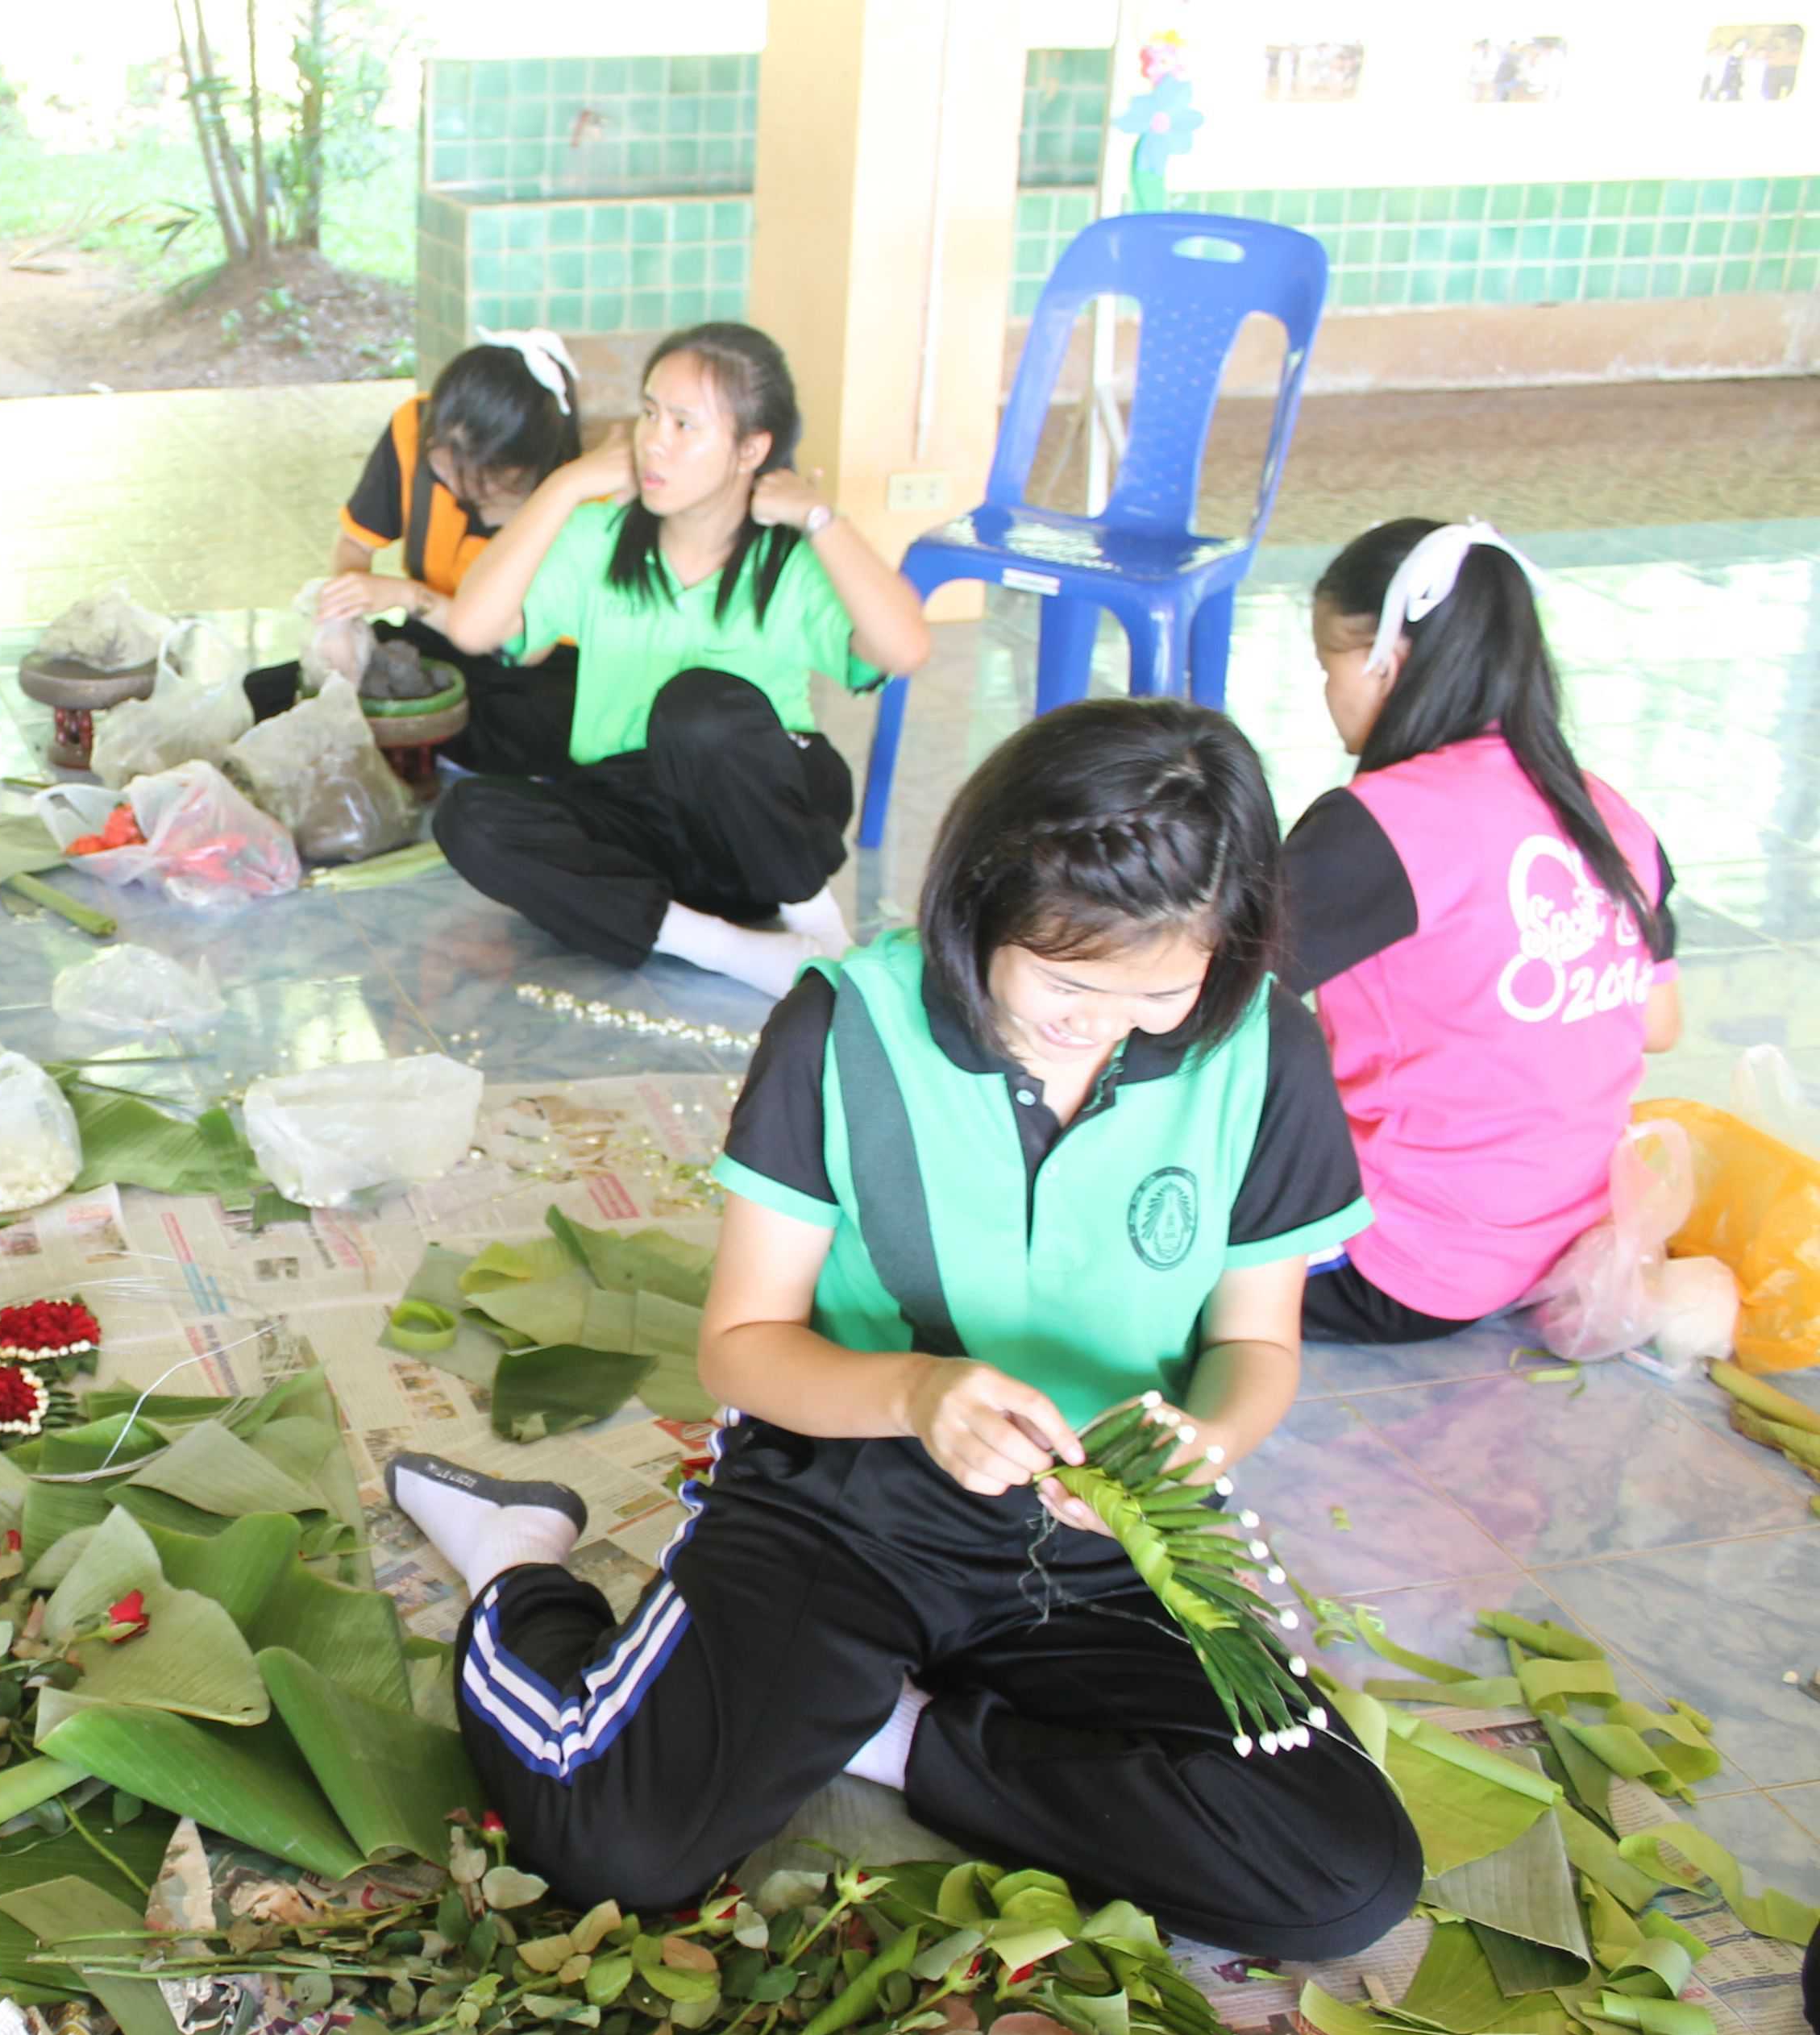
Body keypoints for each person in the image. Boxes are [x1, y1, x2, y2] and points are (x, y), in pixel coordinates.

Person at [396, 698, 1416, 1962]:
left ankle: (899, 1735)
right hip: (847, 1501)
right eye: (1065, 979)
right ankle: (518, 1564)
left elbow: (1257, 1347)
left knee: (1342, 1874)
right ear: (984, 899)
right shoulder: (846, 1027)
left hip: (1101, 1540)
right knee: (619, 1846)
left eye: (1159, 989)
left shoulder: (1262, 1050)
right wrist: (919, 1395)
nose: (1099, 1022)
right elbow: (743, 1345)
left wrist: (1201, 1442)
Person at [430, 322, 933, 995]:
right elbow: (472, 628)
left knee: (697, 707)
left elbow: (905, 647)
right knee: (468, 818)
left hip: (760, 820)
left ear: (751, 449)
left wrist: (821, 521)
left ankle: (821, 929)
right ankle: (729, 951)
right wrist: (566, 486)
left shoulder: (788, 558)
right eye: (649, 414)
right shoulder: (599, 537)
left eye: (684, 424)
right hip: (642, 829)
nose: (654, 442)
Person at [1279, 518, 1681, 1345]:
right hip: (1568, 1245)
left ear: (1386, 660)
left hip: (1400, 1267)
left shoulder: (1383, 824)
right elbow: (1659, 1024)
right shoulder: (1610, 812)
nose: (1328, 689)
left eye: (1329, 662)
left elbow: (1196, 991)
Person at [239, 334, 587, 783]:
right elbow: (355, 545)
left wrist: (407, 595)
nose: (453, 486)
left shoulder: (568, 499)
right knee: (265, 696)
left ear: (524, 469)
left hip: (528, 673)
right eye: (442, 466)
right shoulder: (412, 428)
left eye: (479, 480)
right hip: (431, 640)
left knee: (520, 733)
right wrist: (343, 624)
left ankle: (429, 760)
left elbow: (518, 648)